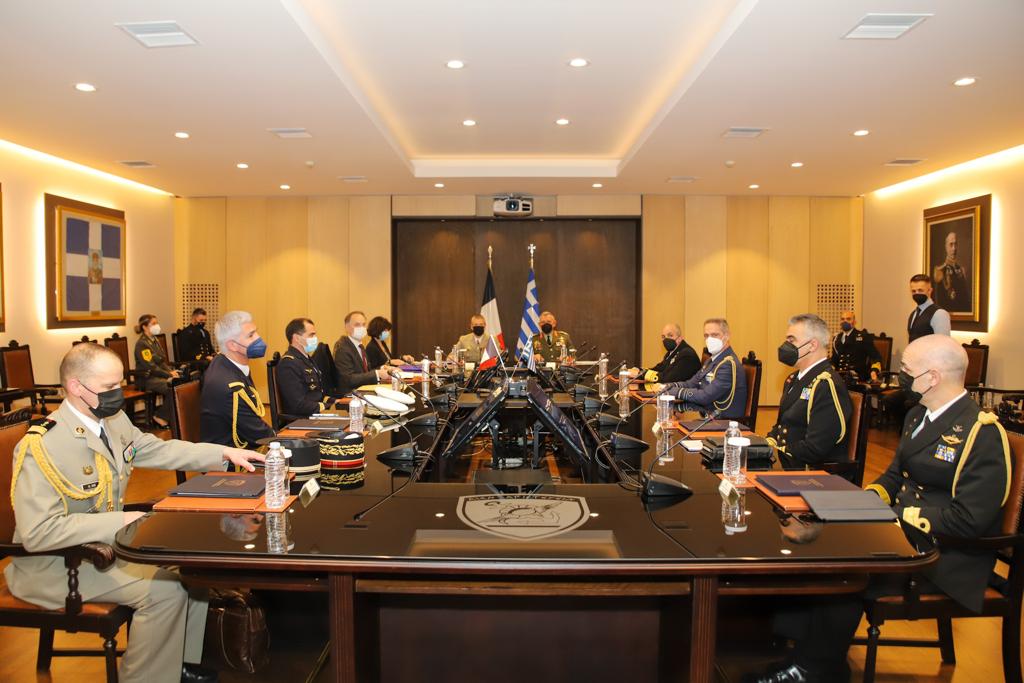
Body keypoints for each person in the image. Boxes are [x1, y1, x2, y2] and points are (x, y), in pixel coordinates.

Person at [746, 334, 1012, 682]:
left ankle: (814, 669)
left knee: (846, 570)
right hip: (904, 538)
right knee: (814, 542)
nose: (900, 376)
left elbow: (969, 520)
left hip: (945, 556)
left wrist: (894, 518)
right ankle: (798, 653)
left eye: (907, 370)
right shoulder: (918, 415)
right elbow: (893, 477)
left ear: (932, 377)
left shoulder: (982, 432)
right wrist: (858, 504)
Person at [5, 342, 264, 683]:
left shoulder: (112, 420)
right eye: (109, 386)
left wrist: (224, 454)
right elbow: (39, 533)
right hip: (54, 565)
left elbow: (157, 449)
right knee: (166, 591)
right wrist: (122, 520)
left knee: (193, 568)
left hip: (103, 549)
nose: (119, 393)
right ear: (76, 387)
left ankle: (181, 664)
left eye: (119, 383)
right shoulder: (43, 446)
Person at [766, 314, 852, 471]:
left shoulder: (826, 384)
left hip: (809, 472)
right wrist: (765, 446)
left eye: (792, 340)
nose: (785, 346)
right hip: (789, 462)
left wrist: (777, 452)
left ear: (812, 345)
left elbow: (815, 448)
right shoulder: (793, 379)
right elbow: (781, 425)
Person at [199, 310, 276, 449]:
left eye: (256, 332)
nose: (258, 338)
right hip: (230, 457)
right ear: (232, 345)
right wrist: (284, 439)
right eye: (251, 335)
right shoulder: (229, 386)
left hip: (243, 446)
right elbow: (259, 435)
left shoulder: (226, 362)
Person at [653, 318, 747, 420]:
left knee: (668, 423)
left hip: (722, 421)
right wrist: (666, 387)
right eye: (706, 336)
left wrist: (671, 391)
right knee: (665, 418)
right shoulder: (712, 360)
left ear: (727, 336)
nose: (709, 339)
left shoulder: (728, 364)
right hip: (707, 414)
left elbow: (705, 396)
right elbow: (691, 383)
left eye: (714, 335)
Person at [277, 317, 338, 418]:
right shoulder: (288, 363)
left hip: (315, 413)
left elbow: (316, 394)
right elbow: (297, 404)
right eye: (311, 335)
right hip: (303, 418)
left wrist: (336, 401)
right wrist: (327, 406)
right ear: (297, 338)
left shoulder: (307, 359)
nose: (315, 338)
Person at [133, 313, 180, 428]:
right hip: (147, 378)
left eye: (157, 323)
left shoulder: (154, 340)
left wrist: (171, 372)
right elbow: (151, 366)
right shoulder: (142, 344)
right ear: (145, 327)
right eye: (153, 323)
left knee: (179, 384)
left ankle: (173, 417)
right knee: (173, 388)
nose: (157, 326)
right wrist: (168, 374)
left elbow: (161, 361)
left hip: (157, 376)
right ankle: (160, 416)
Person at [332, 310, 392, 395]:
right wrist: (377, 373)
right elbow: (348, 379)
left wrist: (383, 368)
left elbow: (366, 371)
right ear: (347, 327)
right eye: (357, 325)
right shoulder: (342, 348)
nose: (362, 328)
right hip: (350, 395)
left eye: (363, 325)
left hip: (363, 390)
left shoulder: (360, 346)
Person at [627, 323, 701, 384]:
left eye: (670, 335)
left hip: (684, 395)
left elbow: (667, 379)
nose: (666, 339)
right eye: (663, 336)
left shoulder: (687, 354)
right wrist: (639, 370)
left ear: (680, 338)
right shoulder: (671, 352)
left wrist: (640, 374)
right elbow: (658, 369)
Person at [830, 310, 882, 380]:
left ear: (854, 322)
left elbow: (876, 357)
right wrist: (830, 368)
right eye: (842, 319)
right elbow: (834, 359)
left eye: (848, 319)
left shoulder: (863, 337)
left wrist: (874, 371)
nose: (845, 321)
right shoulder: (837, 338)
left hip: (858, 377)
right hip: (840, 377)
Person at [933, 230, 970, 312]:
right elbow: (938, 303)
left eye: (955, 244)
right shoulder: (940, 270)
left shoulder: (961, 270)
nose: (954, 248)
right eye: (951, 244)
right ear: (946, 246)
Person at [908, 274, 951, 341]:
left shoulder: (939, 314)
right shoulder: (913, 314)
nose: (917, 293)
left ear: (930, 291)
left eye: (920, 290)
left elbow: (943, 343)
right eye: (913, 291)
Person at [177, 308, 215, 373]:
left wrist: (215, 355)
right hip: (193, 363)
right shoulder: (186, 333)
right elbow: (185, 354)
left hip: (205, 361)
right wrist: (205, 357)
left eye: (205, 320)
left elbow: (210, 348)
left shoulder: (206, 332)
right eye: (201, 320)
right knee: (207, 364)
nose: (203, 322)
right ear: (193, 318)